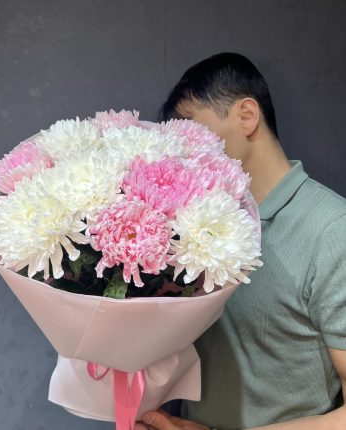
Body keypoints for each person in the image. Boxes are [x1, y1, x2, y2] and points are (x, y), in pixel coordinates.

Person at [136, 53, 346, 430]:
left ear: (247, 116)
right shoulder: (189, 227)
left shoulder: (332, 230)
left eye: (191, 128)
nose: (181, 148)